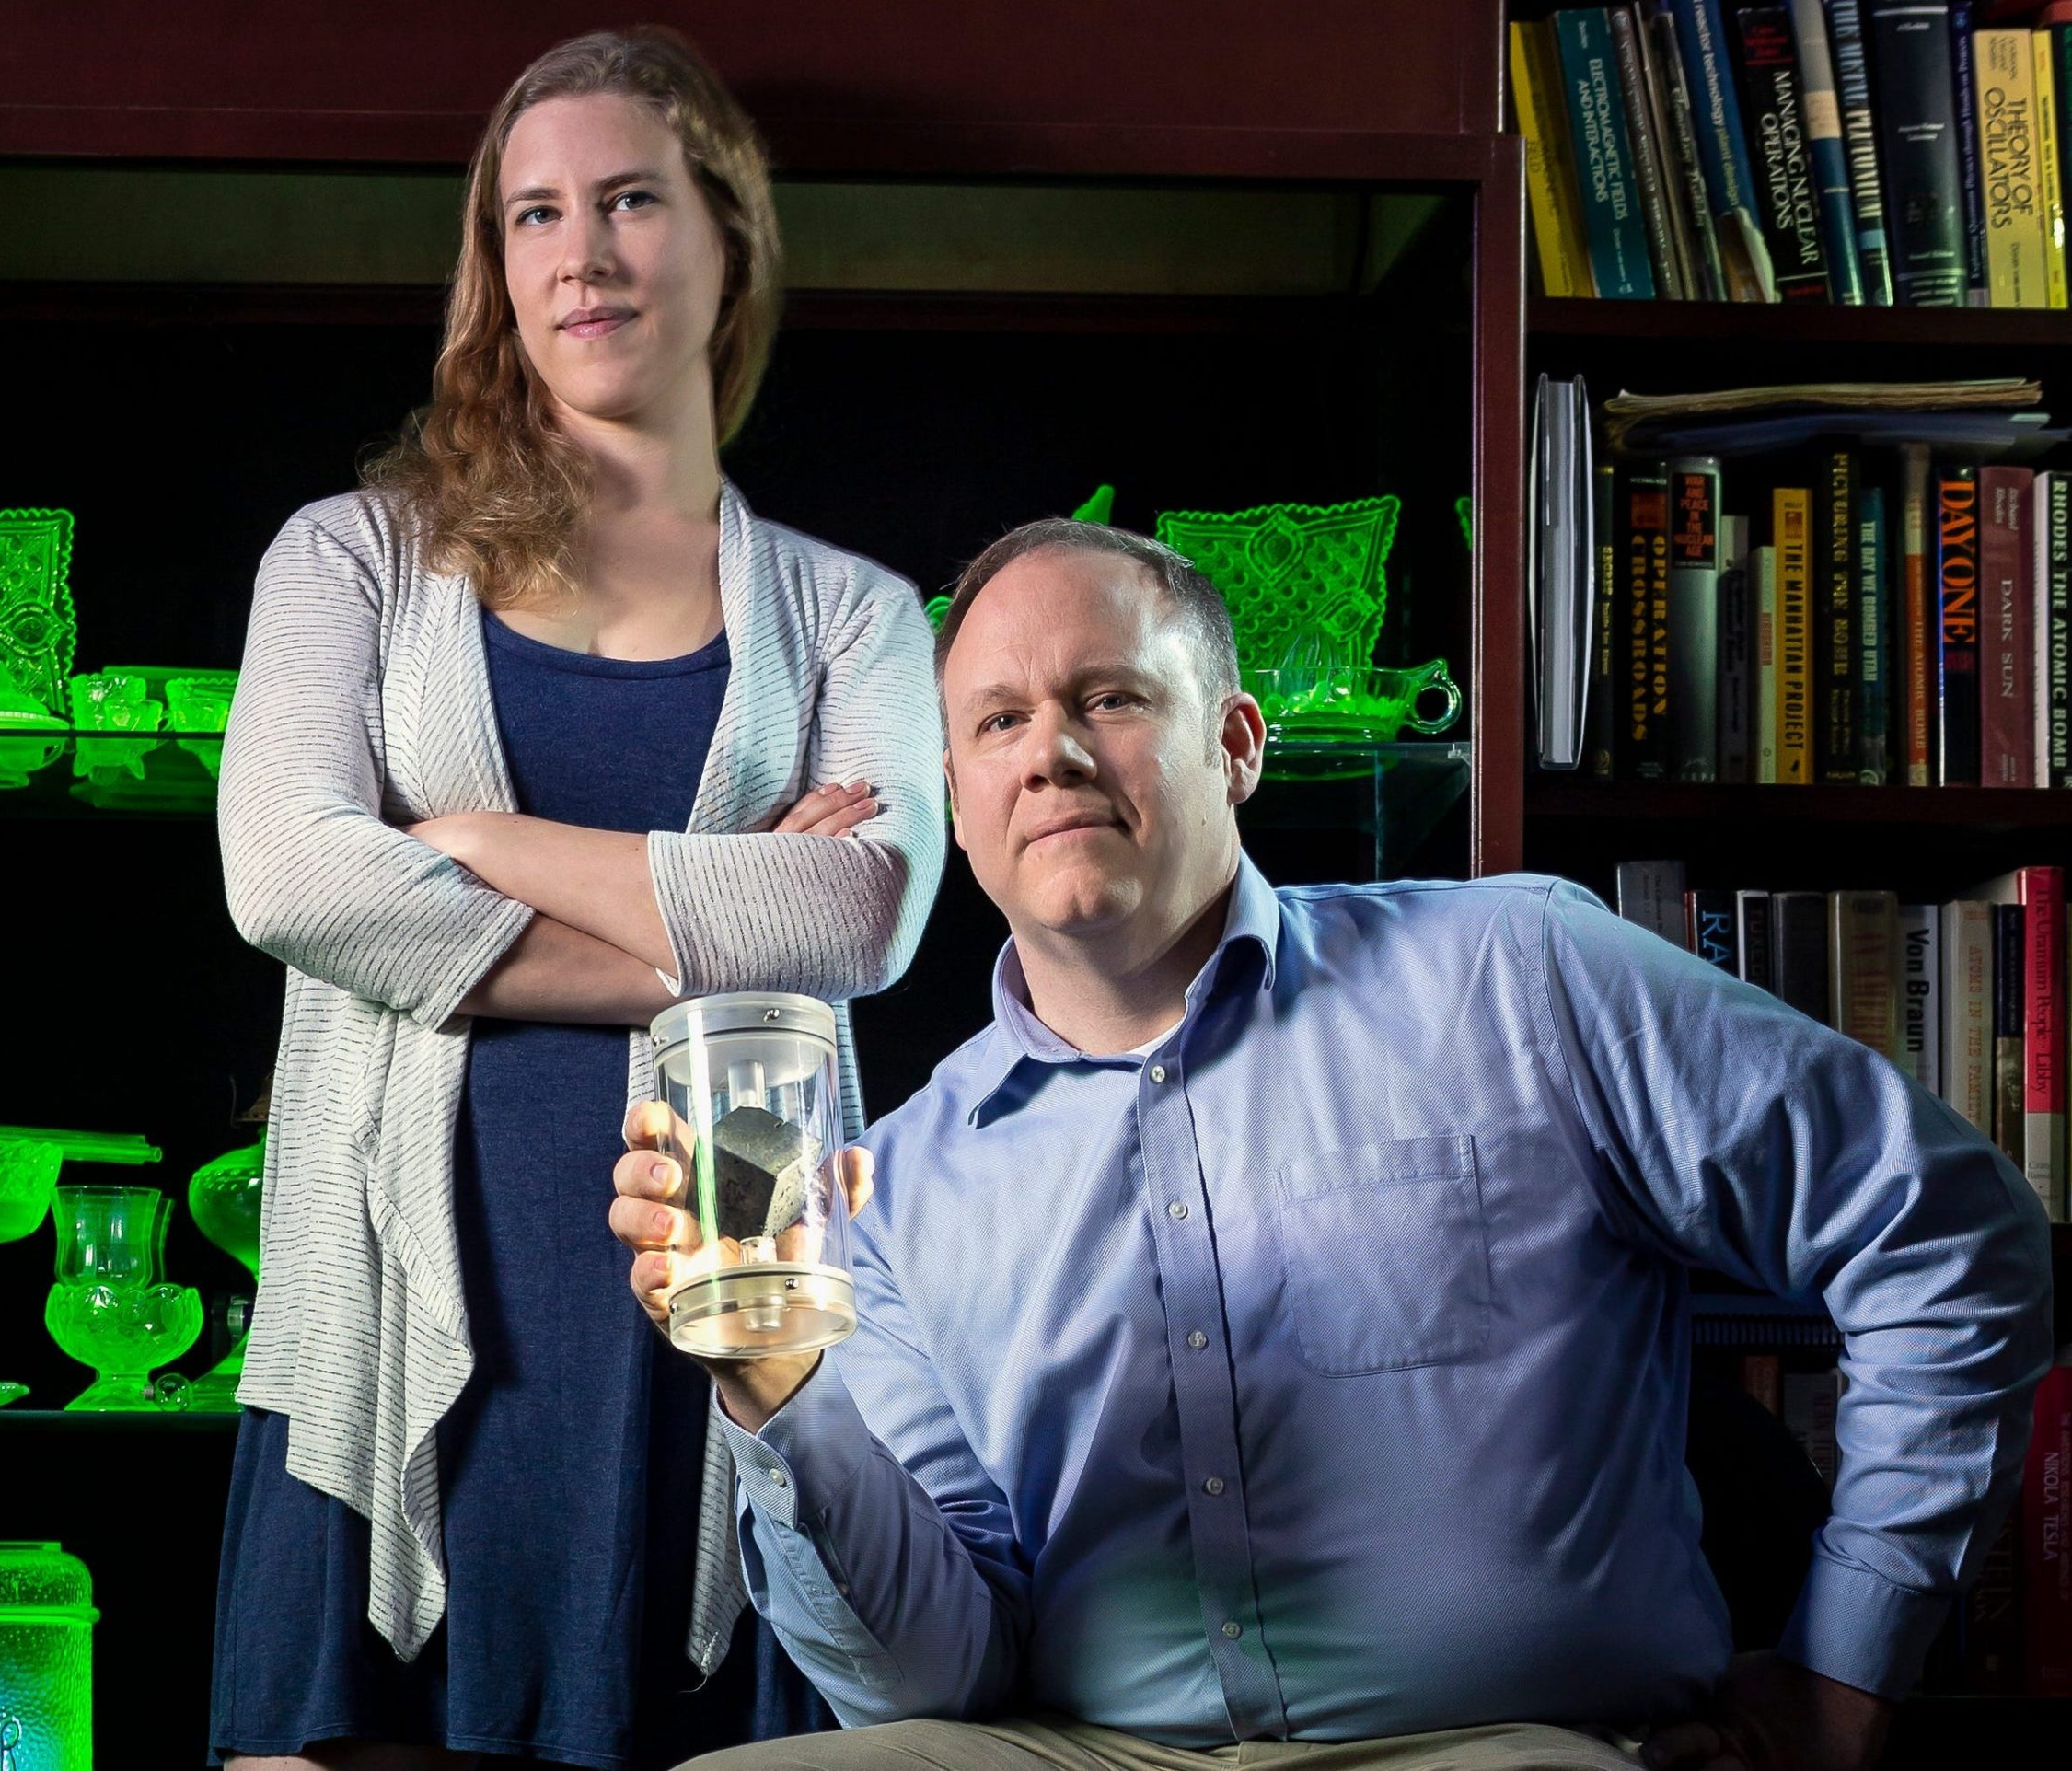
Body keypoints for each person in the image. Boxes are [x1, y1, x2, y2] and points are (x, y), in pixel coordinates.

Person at [610, 518, 2058, 1771]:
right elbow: (932, 1685)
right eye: (994, 723)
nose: (1047, 752)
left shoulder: (1514, 971)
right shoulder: (898, 1187)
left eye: (1107, 697)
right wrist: (778, 1395)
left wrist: (1843, 1671)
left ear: (1236, 744)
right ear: (959, 805)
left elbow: (1944, 1232)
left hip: (1505, 1748)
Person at [213, 28, 944, 1770]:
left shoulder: (855, 616)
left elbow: (863, 921)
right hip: (383, 1323)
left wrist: (466, 838)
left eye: (629, 200)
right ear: (496, 270)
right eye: (534, 215)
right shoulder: (349, 559)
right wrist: (695, 952)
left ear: (727, 244)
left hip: (734, 1323)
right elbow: (287, 872)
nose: (581, 253)